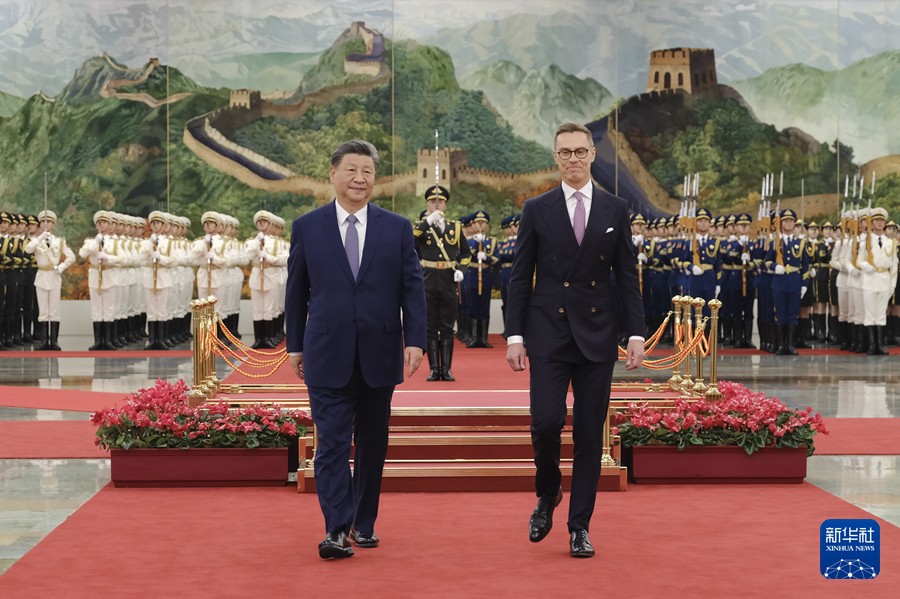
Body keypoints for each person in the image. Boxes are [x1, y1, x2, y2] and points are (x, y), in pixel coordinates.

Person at [505, 123, 645, 558]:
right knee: (545, 422)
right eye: (564, 152)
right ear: (555, 156)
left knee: (588, 433)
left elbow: (626, 275)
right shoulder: (537, 208)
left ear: (591, 155)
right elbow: (520, 276)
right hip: (548, 331)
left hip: (597, 333)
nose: (572, 159)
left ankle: (579, 525)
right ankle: (548, 492)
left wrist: (636, 332)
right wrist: (514, 335)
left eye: (580, 151)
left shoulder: (615, 208)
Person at [285, 140, 426, 559]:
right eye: (351, 170)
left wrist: (416, 340)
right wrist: (294, 345)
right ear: (333, 174)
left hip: (380, 352)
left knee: (371, 444)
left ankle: (363, 523)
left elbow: (412, 288)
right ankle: (336, 528)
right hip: (326, 351)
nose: (359, 179)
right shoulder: (307, 227)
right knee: (330, 443)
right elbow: (296, 291)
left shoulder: (396, 228)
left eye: (367, 171)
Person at [413, 184, 471, 381]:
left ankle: (446, 369)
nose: (436, 205)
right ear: (427, 204)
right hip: (428, 279)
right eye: (432, 202)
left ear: (445, 205)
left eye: (440, 202)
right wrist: (427, 222)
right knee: (430, 326)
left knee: (447, 326)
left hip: (448, 279)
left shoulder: (455, 227)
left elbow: (466, 254)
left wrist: (462, 270)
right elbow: (409, 241)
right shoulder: (421, 227)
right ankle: (433, 369)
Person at [24, 210, 75, 350]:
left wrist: (61, 267)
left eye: (49, 222)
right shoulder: (35, 241)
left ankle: (54, 341)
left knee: (54, 310)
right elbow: (28, 250)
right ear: (40, 224)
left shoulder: (59, 241)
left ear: (53, 224)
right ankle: (44, 341)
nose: (46, 224)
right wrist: (40, 238)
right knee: (43, 311)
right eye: (43, 222)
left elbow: (71, 257)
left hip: (54, 276)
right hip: (41, 276)